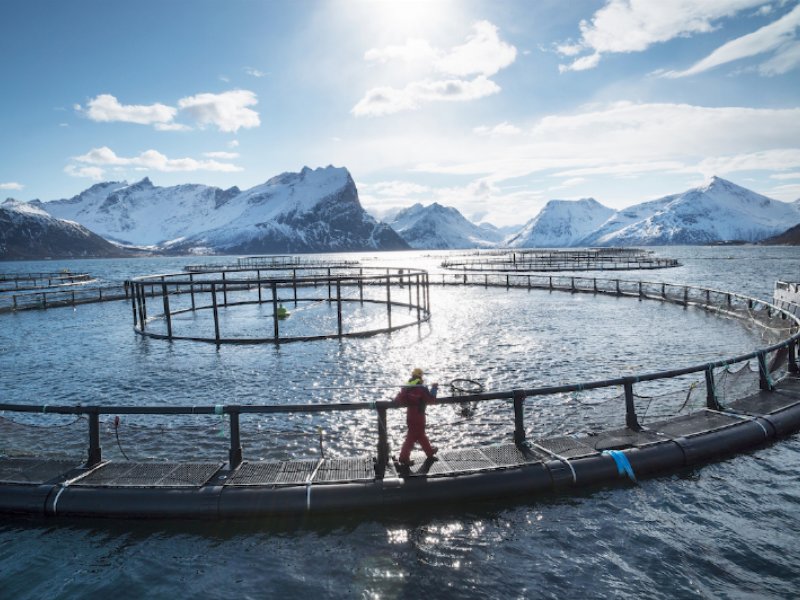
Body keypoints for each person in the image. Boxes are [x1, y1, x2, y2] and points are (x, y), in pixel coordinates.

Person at [394, 367, 439, 467]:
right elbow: (431, 400)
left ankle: (430, 453)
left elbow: (400, 399)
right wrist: (434, 388)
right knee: (411, 438)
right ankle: (403, 458)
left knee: (421, 436)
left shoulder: (407, 387)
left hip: (410, 416)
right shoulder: (421, 388)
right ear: (421, 377)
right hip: (419, 416)